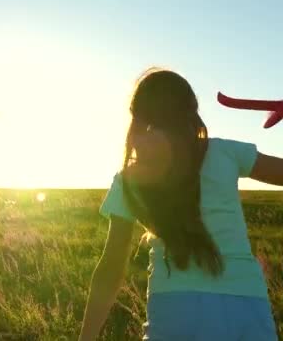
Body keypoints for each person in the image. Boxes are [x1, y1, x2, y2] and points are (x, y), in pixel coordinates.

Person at [79, 68, 278, 340]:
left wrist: (86, 337)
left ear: (138, 116)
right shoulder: (227, 152)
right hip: (246, 305)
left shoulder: (130, 178)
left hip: (174, 307)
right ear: (191, 112)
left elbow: (112, 266)